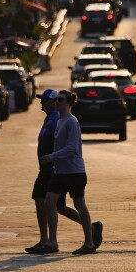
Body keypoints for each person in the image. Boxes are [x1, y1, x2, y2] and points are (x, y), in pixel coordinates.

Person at [39, 90, 101, 255]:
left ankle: (89, 242)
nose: (57, 102)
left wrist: (51, 156)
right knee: (49, 201)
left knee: (79, 204)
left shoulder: (71, 122)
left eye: (60, 100)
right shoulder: (60, 121)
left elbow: (72, 147)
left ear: (68, 103)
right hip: (60, 172)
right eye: (56, 100)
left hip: (74, 172)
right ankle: (52, 242)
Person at [25, 90, 82, 254]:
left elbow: (65, 145)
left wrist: (52, 158)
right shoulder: (50, 118)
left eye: (44, 100)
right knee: (52, 203)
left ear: (54, 102)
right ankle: (89, 228)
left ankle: (48, 241)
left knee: (49, 202)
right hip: (46, 169)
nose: (41, 103)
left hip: (52, 169)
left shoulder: (57, 119)